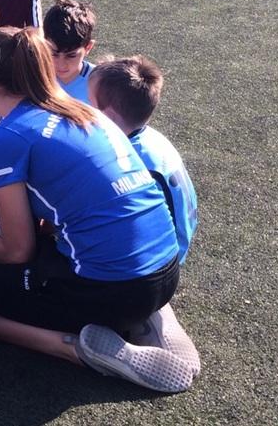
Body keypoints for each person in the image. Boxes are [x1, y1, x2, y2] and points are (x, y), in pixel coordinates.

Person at [0, 27, 197, 393]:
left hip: (113, 288)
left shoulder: (8, 136)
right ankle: (152, 313)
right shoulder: (84, 111)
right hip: (165, 267)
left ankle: (79, 349)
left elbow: (18, 250)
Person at [85, 55, 201, 377]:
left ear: (106, 114)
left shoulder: (128, 158)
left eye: (88, 103)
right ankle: (155, 315)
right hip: (174, 250)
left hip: (155, 261)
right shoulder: (149, 138)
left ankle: (140, 319)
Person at [43, 0, 96, 103]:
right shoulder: (33, 76)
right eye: (53, 53)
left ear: (88, 47)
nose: (61, 64)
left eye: (71, 55)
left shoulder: (101, 86)